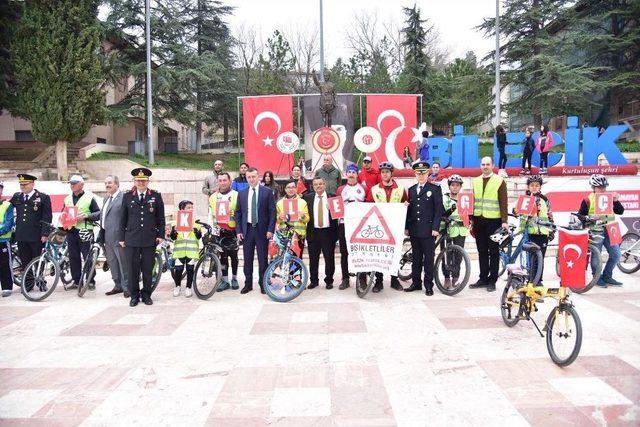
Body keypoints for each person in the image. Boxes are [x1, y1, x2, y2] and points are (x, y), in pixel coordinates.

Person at [118, 168, 166, 307]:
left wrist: (160, 235)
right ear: (134, 181)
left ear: (147, 181)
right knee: (133, 270)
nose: (141, 183)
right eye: (138, 180)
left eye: (143, 180)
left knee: (147, 269)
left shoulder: (156, 196)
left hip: (149, 239)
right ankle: (134, 296)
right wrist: (121, 238)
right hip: (131, 239)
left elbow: (160, 218)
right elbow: (122, 219)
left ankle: (146, 295)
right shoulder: (127, 197)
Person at [367, 161, 407, 292]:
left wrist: (407, 205)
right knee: (379, 254)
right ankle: (379, 282)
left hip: (395, 226)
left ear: (392, 173)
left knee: (395, 253)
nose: (384, 174)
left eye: (387, 172)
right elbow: (367, 206)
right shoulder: (374, 189)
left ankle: (394, 280)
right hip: (380, 227)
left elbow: (406, 205)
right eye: (382, 172)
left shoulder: (400, 189)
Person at [470, 156, 509, 292]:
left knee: (493, 251)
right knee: (481, 251)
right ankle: (483, 278)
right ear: (480, 166)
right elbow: (472, 201)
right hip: (479, 220)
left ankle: (492, 280)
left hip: (494, 221)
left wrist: (504, 221)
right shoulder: (475, 181)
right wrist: (471, 219)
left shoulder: (499, 181)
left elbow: (503, 201)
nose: (485, 166)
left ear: (492, 166)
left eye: (488, 164)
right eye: (483, 164)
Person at [578, 174, 625, 287]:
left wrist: (616, 201)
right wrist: (590, 218)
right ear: (593, 188)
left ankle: (607, 276)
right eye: (599, 187)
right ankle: (597, 277)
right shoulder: (587, 200)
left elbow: (620, 211)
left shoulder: (609, 198)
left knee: (616, 254)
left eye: (604, 187)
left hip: (610, 230)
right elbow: (580, 216)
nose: (602, 189)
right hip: (595, 231)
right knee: (596, 256)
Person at [234, 167, 276, 294]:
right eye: (249, 177)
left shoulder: (267, 192)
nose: (251, 179)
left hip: (262, 230)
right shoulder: (241, 193)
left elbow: (272, 212)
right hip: (247, 230)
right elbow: (238, 213)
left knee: (263, 259)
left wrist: (270, 229)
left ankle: (263, 284)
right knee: (247, 259)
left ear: (258, 177)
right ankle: (248, 284)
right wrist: (239, 230)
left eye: (253, 177)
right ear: (246, 178)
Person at [404, 161, 443, 296]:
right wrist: (407, 227)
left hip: (428, 230)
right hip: (415, 230)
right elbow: (410, 211)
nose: (421, 176)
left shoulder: (435, 189)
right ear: (415, 174)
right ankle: (416, 283)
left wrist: (435, 228)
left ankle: (428, 285)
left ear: (428, 173)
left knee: (428, 259)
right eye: (418, 173)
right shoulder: (411, 190)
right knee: (416, 258)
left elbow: (438, 211)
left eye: (423, 173)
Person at [61, 175, 101, 290]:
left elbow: (98, 214)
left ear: (82, 184)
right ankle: (77, 280)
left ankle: (90, 280)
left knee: (87, 256)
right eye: (71, 183)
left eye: (74, 183)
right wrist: (64, 221)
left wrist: (85, 216)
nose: (72, 185)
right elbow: (63, 213)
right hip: (71, 231)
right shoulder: (67, 198)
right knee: (73, 257)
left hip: (85, 230)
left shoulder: (89, 197)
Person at [10, 174, 52, 272]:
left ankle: (40, 281)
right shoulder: (17, 196)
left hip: (36, 235)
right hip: (21, 235)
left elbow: (47, 216)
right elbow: (7, 208)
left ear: (33, 184)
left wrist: (45, 233)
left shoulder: (42, 197)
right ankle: (28, 285)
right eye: (21, 185)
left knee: (38, 261)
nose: (23, 187)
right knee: (25, 262)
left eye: (25, 184)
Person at [517, 175, 554, 284]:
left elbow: (550, 214)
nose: (534, 187)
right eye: (532, 185)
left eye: (537, 185)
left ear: (540, 187)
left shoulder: (545, 199)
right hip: (531, 233)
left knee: (540, 258)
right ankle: (531, 279)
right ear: (528, 187)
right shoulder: (525, 199)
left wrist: (552, 230)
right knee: (532, 258)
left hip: (543, 232)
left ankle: (538, 280)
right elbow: (518, 212)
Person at [304, 177, 338, 290]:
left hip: (328, 232)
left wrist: (332, 208)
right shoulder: (307, 198)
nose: (318, 186)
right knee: (313, 259)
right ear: (313, 186)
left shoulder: (332, 197)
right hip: (313, 232)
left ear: (324, 185)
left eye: (320, 184)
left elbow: (339, 214)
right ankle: (314, 281)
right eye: (315, 184)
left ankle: (329, 280)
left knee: (329, 258)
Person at [336, 164, 366, 289]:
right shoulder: (341, 189)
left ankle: (362, 279)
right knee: (344, 252)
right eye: (349, 172)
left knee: (361, 252)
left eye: (354, 172)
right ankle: (345, 278)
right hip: (344, 223)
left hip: (360, 225)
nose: (351, 174)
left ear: (357, 174)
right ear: (346, 174)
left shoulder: (364, 188)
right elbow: (336, 205)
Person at [209, 172, 240, 291]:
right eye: (220, 180)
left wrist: (234, 216)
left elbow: (241, 213)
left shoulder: (237, 195)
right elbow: (210, 214)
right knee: (223, 256)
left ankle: (234, 278)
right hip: (219, 231)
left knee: (234, 256)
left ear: (229, 181)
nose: (222, 183)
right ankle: (225, 280)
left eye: (224, 180)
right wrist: (211, 229)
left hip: (232, 230)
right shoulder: (213, 197)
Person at [102, 175, 129, 297]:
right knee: (112, 262)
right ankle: (117, 285)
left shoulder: (123, 197)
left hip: (119, 236)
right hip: (107, 236)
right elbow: (103, 214)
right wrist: (87, 216)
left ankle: (127, 287)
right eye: (106, 183)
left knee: (123, 262)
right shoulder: (106, 198)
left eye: (110, 183)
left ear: (117, 184)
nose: (107, 185)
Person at [440, 174, 469, 289]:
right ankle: (446, 277)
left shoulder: (465, 199)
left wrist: (470, 221)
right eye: (453, 185)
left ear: (460, 187)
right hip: (447, 229)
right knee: (446, 254)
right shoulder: (444, 198)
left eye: (457, 185)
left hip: (461, 230)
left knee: (458, 255)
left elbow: (469, 213)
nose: (455, 187)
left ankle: (455, 278)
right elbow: (441, 213)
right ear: (449, 186)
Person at [169, 200, 201, 298]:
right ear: (182, 209)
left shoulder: (196, 225)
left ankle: (188, 287)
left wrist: (196, 231)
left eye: (192, 207)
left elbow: (199, 236)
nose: (191, 209)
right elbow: (172, 237)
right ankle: (177, 286)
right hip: (179, 251)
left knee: (190, 269)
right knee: (178, 270)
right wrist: (174, 232)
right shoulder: (175, 224)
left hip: (191, 251)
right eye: (188, 207)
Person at [276, 180, 310, 257]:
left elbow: (307, 219)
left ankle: (297, 269)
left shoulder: (302, 202)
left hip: (299, 235)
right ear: (285, 189)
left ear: (296, 189)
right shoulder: (279, 203)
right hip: (284, 235)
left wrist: (303, 216)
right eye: (288, 187)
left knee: (297, 260)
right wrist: (280, 217)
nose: (291, 189)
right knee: (283, 260)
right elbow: (276, 220)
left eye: (293, 187)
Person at [0, 181, 15, 297]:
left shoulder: (7, 205)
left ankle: (7, 287)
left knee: (4, 264)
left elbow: (8, 223)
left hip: (3, 240)